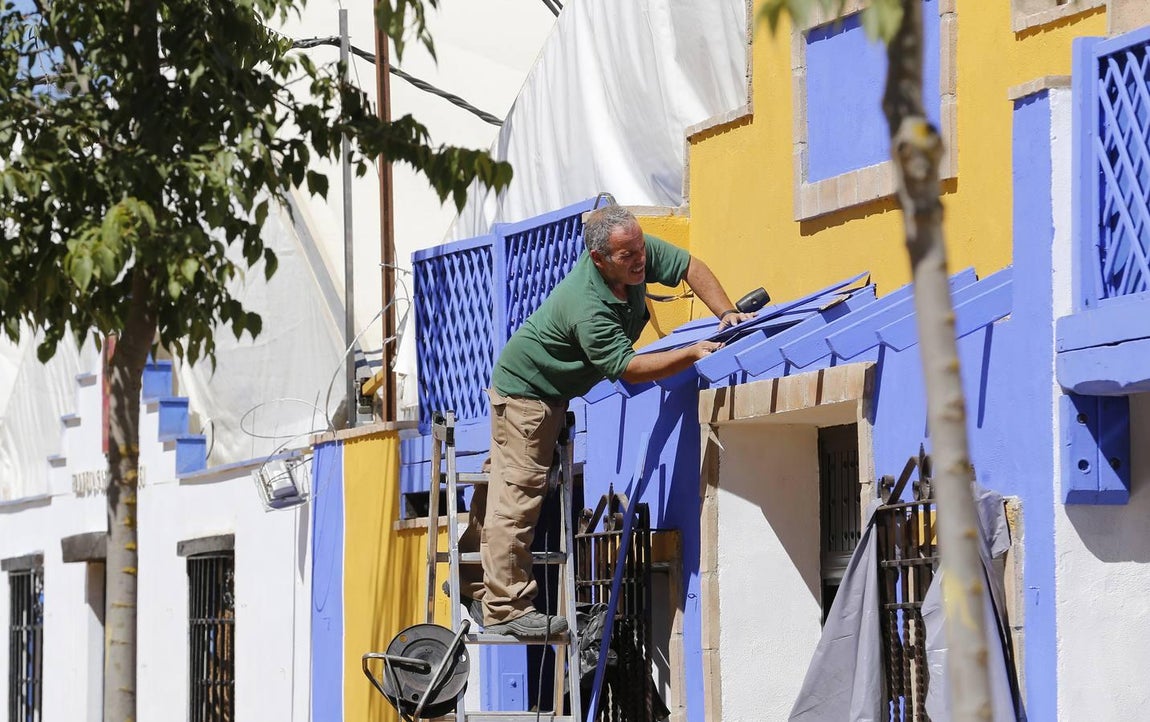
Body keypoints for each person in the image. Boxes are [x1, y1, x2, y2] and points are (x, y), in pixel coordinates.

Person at [455, 203, 755, 639]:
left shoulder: (632, 248)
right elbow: (627, 368)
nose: (639, 260)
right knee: (516, 499)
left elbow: (690, 265)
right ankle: (506, 606)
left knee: (502, 487)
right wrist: (690, 353)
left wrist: (725, 312)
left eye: (639, 249)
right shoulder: (587, 306)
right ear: (599, 259)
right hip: (527, 396)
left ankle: (471, 581)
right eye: (626, 255)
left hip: (545, 393)